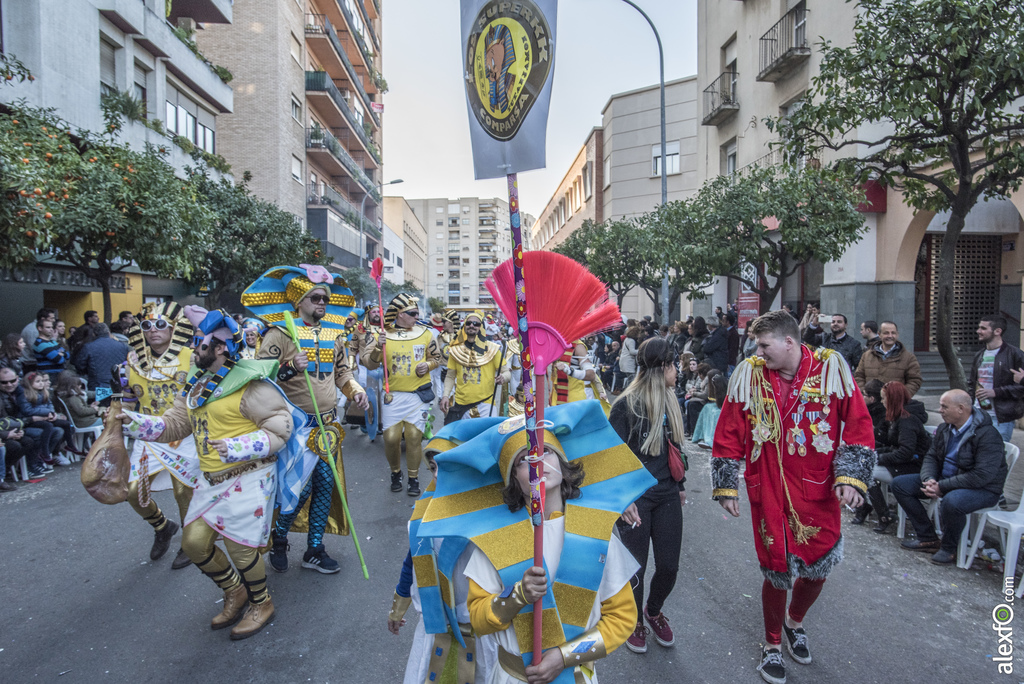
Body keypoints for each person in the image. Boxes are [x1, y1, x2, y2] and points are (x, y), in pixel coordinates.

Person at [416, 401, 652, 684]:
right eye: (523, 459)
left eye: (546, 451)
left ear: (563, 466)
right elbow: (478, 617)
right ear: (513, 479)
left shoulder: (596, 532)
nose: (537, 460)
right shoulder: (496, 537)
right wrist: (517, 596)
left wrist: (565, 657)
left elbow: (623, 618)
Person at [119, 306, 306, 640]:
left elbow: (281, 428)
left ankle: (262, 603)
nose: (195, 349)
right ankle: (235, 590)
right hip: (210, 479)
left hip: (249, 476)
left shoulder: (250, 383)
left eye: (201, 344)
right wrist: (133, 422)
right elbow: (174, 424)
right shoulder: (196, 384)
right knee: (193, 545)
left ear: (220, 348)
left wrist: (238, 447)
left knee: (240, 548)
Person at [711, 309, 875, 684]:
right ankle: (771, 645)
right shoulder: (749, 375)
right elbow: (729, 431)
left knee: (818, 567)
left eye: (764, 344)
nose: (759, 351)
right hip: (766, 485)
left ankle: (794, 622)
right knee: (777, 569)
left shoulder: (831, 368)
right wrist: (726, 484)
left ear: (789, 342)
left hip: (817, 489)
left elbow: (858, 423)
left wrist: (851, 476)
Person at [242, 265, 369, 576]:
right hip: (293, 426)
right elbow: (258, 377)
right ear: (299, 301)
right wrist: (288, 367)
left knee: (326, 484)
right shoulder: (279, 333)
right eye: (315, 298)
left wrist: (355, 390)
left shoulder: (334, 335)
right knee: (295, 489)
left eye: (324, 299)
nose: (322, 304)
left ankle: (314, 549)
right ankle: (279, 538)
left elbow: (342, 373)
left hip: (328, 426)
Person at [389, 448, 498, 684]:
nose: (437, 474)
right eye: (434, 467)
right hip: (437, 629)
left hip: (483, 631)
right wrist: (397, 609)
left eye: (447, 466)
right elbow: (413, 562)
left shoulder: (495, 518)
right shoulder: (424, 517)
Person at [609, 337, 688, 655]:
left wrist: (680, 485)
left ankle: (652, 611)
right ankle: (633, 622)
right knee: (636, 569)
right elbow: (610, 458)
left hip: (667, 494)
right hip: (635, 499)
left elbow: (677, 448)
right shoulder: (625, 405)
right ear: (664, 367)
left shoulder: (672, 399)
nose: (678, 371)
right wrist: (622, 500)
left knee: (669, 567)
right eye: (675, 365)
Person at [116, 302, 203, 568]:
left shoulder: (192, 357)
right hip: (148, 435)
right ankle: (163, 526)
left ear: (174, 328)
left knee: (184, 491)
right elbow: (126, 398)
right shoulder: (130, 362)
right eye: (146, 325)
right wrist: (116, 415)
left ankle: (190, 543)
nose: (153, 330)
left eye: (160, 324)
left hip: (183, 434)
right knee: (132, 492)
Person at [890, 389, 1008, 566]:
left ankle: (949, 548)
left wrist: (942, 487)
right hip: (947, 480)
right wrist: (929, 478)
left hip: (983, 489)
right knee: (900, 484)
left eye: (944, 406)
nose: (940, 410)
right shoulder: (945, 429)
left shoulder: (987, 435)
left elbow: (981, 476)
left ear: (961, 409)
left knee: (952, 501)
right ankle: (928, 538)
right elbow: (931, 457)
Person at [365, 294, 441, 496]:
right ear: (399, 314)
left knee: (414, 437)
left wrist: (428, 364)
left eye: (417, 313)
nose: (417, 316)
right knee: (391, 438)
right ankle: (395, 473)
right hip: (393, 395)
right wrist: (376, 348)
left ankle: (414, 479)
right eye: (413, 313)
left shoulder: (425, 333)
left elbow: (437, 358)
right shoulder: (381, 335)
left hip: (417, 395)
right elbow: (370, 364)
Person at [854, 381, 930, 533]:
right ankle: (867, 508)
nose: (882, 402)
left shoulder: (907, 420)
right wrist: (873, 453)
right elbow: (894, 446)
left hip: (912, 466)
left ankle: (883, 515)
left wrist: (877, 458)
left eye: (884, 399)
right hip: (903, 461)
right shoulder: (897, 417)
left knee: (866, 470)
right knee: (862, 463)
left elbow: (905, 452)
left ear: (892, 399)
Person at [441, 311, 510, 423]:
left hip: (486, 404)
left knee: (487, 438)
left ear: (481, 327)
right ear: (464, 326)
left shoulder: (492, 350)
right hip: (462, 406)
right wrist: (445, 396)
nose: (471, 325)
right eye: (468, 323)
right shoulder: (456, 350)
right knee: (463, 440)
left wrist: (503, 377)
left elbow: (507, 372)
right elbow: (450, 376)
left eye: (476, 323)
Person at [967, 314, 1024, 442]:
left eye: (983, 328)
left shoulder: (1015, 354)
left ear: (997, 331)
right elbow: (972, 383)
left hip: (1001, 418)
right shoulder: (979, 355)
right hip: (977, 414)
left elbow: (1021, 388)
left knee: (997, 456)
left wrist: (995, 392)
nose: (978, 331)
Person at [0, 367, 48, 477]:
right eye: (4, 382)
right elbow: (5, 419)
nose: (9, 384)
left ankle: (33, 463)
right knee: (18, 444)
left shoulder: (21, 391)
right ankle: (11, 470)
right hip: (8, 430)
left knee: (49, 431)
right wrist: (8, 434)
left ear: (17, 379)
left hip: (17, 425)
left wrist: (18, 430)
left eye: (12, 381)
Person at [20, 371, 76, 464]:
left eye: (42, 381)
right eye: (38, 381)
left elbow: (49, 405)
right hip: (32, 420)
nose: (42, 383)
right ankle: (45, 452)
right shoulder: (25, 394)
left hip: (46, 416)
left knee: (66, 424)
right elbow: (27, 410)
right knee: (48, 426)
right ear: (29, 383)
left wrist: (53, 413)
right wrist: (47, 412)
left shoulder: (43, 392)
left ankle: (69, 446)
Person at [853, 321, 922, 396]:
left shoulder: (908, 357)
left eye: (893, 333)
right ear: (879, 334)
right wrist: (865, 393)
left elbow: (915, 380)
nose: (890, 336)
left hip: (895, 404)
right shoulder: (867, 355)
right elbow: (859, 376)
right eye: (886, 333)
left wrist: (901, 397)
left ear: (897, 334)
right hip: (871, 404)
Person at [74, 323, 130, 394]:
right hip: (119, 384)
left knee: (99, 404)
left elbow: (79, 365)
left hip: (98, 385)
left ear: (94, 334)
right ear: (108, 332)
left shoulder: (88, 347)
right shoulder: (122, 346)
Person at [691, 371, 727, 450]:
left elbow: (705, 396)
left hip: (721, 408)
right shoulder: (709, 384)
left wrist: (694, 394)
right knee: (706, 408)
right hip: (715, 404)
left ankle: (712, 439)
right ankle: (702, 435)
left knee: (715, 414)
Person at [32, 315, 69, 379]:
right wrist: (62, 354)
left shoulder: (52, 341)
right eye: (48, 327)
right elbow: (59, 360)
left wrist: (63, 354)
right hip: (48, 375)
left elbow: (68, 354)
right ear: (40, 328)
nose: (51, 329)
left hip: (58, 374)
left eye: (52, 327)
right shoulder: (40, 343)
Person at [684, 363, 711, 436]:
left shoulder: (707, 381)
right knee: (689, 403)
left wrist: (694, 394)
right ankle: (689, 430)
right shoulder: (704, 380)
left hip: (707, 401)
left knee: (692, 405)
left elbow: (705, 395)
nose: (698, 376)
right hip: (703, 400)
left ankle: (694, 431)